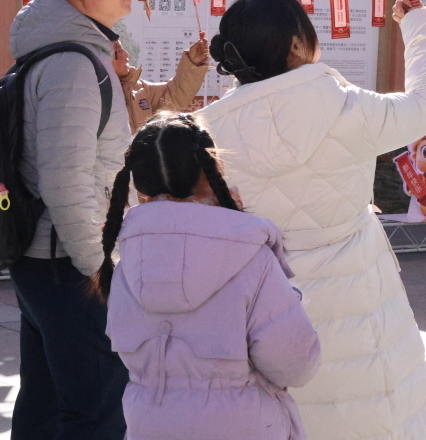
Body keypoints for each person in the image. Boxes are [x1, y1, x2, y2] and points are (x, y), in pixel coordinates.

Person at [198, 0, 426, 440]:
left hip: (261, 300)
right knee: (374, 409)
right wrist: (419, 24)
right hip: (357, 290)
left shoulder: (209, 128)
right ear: (297, 44)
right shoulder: (351, 108)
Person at [94, 113, 322, 439]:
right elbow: (294, 365)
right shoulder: (249, 254)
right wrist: (292, 298)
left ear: (137, 181)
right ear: (211, 167)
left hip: (151, 426)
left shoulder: (127, 258)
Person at [7, 0, 145, 439]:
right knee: (97, 411)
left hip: (50, 259)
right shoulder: (72, 64)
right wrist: (99, 269)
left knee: (46, 404)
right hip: (70, 263)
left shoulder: (68, 54)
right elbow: (65, 180)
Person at [112, 34, 211, 132]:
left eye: (123, 49)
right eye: (118, 52)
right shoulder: (102, 96)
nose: (126, 54)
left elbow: (174, 95)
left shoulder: (138, 88)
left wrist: (193, 63)